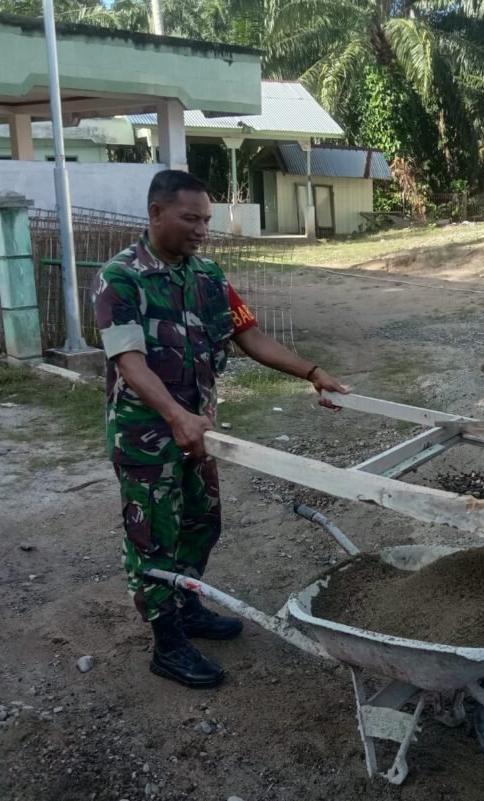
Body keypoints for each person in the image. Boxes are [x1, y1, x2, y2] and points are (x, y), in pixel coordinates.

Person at [92, 170, 347, 689]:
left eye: (206, 219)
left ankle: (186, 607)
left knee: (203, 523)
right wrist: (176, 416)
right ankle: (166, 643)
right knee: (152, 538)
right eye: (190, 218)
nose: (202, 229)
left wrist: (312, 373)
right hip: (148, 438)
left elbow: (250, 336)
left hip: (198, 432)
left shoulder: (207, 277)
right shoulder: (120, 278)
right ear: (156, 213)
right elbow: (130, 362)